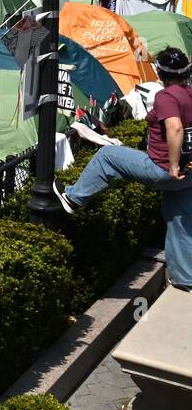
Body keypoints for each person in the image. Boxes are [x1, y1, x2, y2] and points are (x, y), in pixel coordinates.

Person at [54, 47, 192, 290]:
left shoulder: (167, 96)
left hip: (163, 169)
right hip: (187, 174)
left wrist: (171, 165)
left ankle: (74, 198)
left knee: (108, 155)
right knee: (179, 221)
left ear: (160, 72)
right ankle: (185, 278)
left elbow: (175, 128)